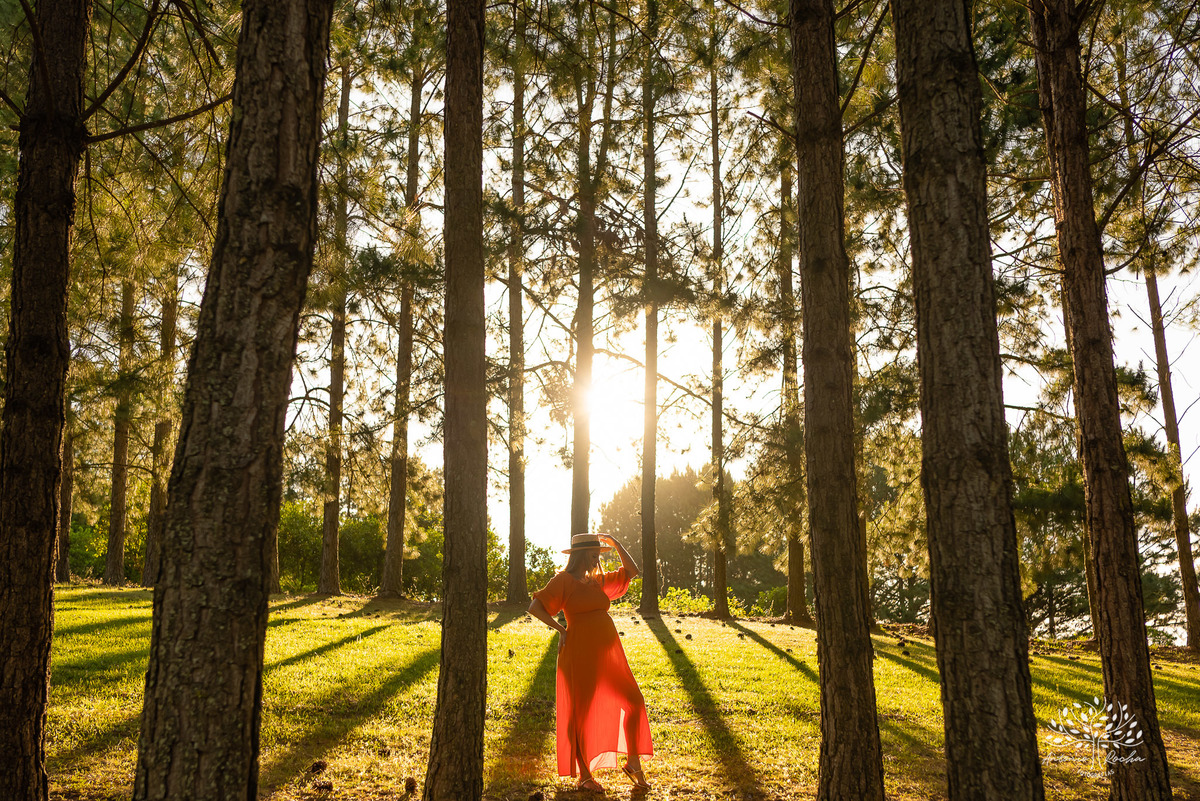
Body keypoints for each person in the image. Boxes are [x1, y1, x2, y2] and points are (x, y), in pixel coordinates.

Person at [528, 532, 653, 793]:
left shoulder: (596, 582)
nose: (597, 560)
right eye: (594, 555)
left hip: (608, 652)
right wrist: (561, 630)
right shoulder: (563, 581)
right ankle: (584, 775)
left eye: (599, 555)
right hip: (580, 651)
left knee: (633, 700)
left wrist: (616, 544)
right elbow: (535, 607)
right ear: (581, 555)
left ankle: (632, 762)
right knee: (580, 712)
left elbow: (632, 571)